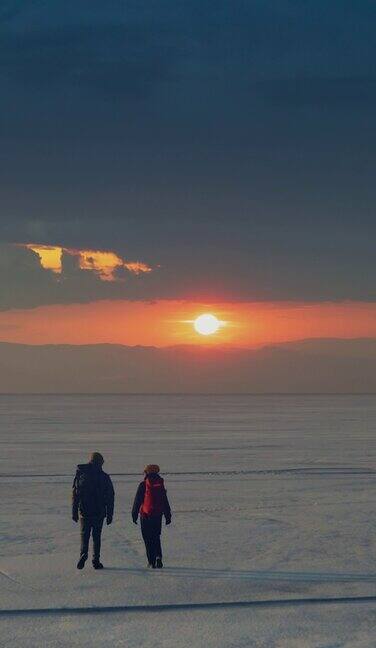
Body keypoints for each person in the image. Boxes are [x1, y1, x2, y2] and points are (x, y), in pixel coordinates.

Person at [72, 452, 115, 570]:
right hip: (99, 512)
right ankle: (96, 561)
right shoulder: (104, 477)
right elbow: (110, 496)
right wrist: (110, 514)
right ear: (100, 462)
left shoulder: (81, 474)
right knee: (96, 537)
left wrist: (74, 511)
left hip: (84, 512)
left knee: (84, 536)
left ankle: (83, 554)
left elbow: (75, 494)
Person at [132, 464, 171, 568]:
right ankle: (158, 556)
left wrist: (134, 514)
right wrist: (168, 515)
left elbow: (137, 501)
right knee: (156, 537)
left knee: (147, 538)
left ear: (147, 472)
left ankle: (151, 561)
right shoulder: (160, 484)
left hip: (145, 515)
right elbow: (164, 501)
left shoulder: (143, 484)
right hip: (157, 515)